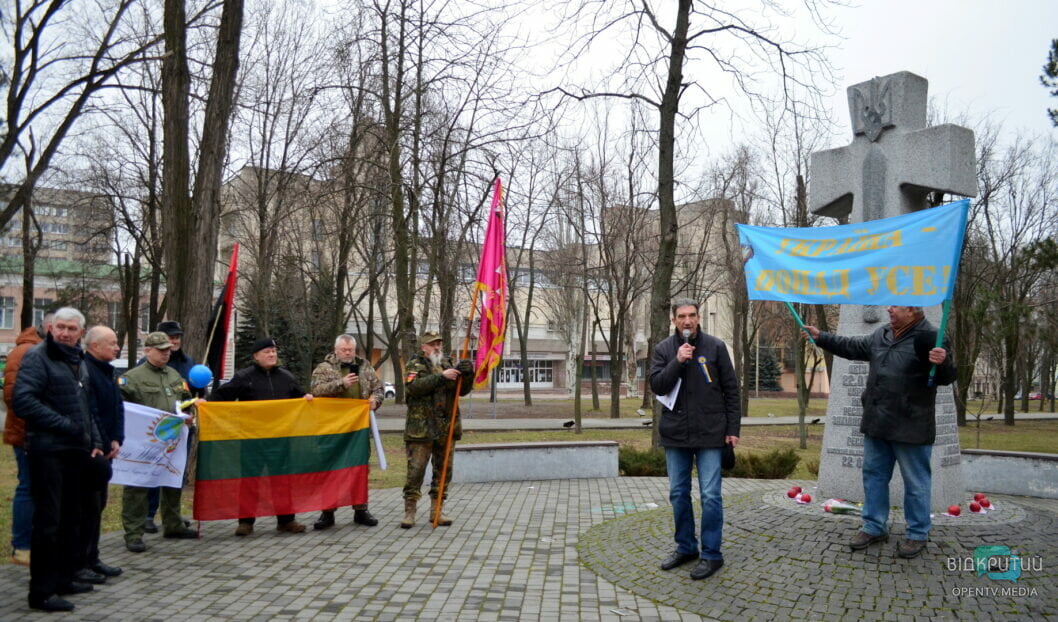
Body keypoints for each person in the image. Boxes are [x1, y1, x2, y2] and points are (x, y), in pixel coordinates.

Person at [803, 305, 954, 559]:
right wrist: (822, 337)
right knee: (874, 477)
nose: (889, 309)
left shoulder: (931, 336)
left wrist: (944, 362)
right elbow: (852, 347)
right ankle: (874, 526)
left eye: (896, 306)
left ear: (912, 310)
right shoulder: (882, 334)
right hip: (877, 421)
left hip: (911, 425)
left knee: (916, 483)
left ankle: (917, 533)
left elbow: (946, 377)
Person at [12, 307, 102, 612]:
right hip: (47, 451)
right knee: (48, 522)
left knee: (71, 518)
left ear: (81, 333)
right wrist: (65, 425)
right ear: (50, 329)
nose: (64, 333)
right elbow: (23, 400)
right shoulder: (38, 357)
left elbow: (87, 407)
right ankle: (41, 592)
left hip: (75, 453)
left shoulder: (78, 360)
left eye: (71, 329)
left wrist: (95, 441)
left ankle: (64, 578)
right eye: (60, 327)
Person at [649, 298, 739, 581]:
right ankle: (686, 547)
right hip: (676, 433)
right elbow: (657, 386)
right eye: (681, 316)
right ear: (674, 320)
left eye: (691, 315)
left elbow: (731, 390)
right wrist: (677, 361)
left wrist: (733, 429)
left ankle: (712, 554)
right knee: (678, 493)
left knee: (710, 495)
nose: (687, 321)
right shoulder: (664, 349)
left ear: (698, 318)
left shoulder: (716, 347)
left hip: (711, 432)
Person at [209, 338, 313, 536]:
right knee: (250, 481)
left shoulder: (286, 377)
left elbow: (300, 397)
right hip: (252, 440)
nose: (272, 354)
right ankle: (246, 522)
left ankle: (286, 520)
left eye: (274, 351)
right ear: (256, 356)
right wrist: (205, 404)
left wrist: (306, 398)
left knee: (281, 481)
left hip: (280, 439)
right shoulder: (243, 377)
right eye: (267, 352)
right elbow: (221, 397)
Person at [119, 331, 196, 553]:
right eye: (161, 350)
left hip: (172, 441)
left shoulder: (174, 375)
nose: (166, 354)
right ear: (147, 351)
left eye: (168, 350)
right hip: (143, 441)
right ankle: (134, 533)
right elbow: (122, 407)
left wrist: (188, 414)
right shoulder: (132, 378)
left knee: (172, 481)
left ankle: (173, 524)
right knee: (138, 486)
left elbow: (184, 401)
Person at [309, 334, 384, 530]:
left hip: (358, 429)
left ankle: (361, 509)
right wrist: (341, 383)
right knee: (330, 469)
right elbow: (316, 390)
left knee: (359, 468)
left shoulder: (365, 366)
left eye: (351, 349)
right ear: (336, 350)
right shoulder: (324, 368)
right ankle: (327, 512)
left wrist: (375, 400)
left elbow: (378, 389)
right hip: (332, 429)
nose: (348, 353)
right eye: (344, 350)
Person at [400, 331, 473, 529]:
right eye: (432, 344)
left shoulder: (448, 364)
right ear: (423, 347)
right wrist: (441, 377)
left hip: (446, 427)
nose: (437, 347)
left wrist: (467, 375)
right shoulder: (415, 364)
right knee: (415, 471)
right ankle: (410, 511)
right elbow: (414, 388)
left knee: (443, 471)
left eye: (439, 344)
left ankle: (437, 510)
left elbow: (461, 391)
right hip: (421, 428)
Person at [3, 312, 52, 567]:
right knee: (28, 487)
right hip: (27, 435)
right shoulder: (25, 352)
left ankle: (37, 541)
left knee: (40, 488)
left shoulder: (47, 351)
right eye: (59, 327)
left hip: (45, 435)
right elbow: (14, 397)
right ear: (47, 328)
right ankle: (22, 546)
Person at [142, 320, 196, 534]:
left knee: (176, 472)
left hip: (181, 429)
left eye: (177, 337)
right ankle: (148, 514)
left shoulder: (187, 362)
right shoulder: (144, 365)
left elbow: (191, 394)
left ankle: (172, 516)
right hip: (155, 429)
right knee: (153, 472)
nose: (174, 341)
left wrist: (196, 402)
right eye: (170, 337)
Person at [80, 326, 125, 581]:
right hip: (92, 450)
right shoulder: (86, 370)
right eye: (112, 343)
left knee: (98, 505)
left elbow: (117, 407)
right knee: (87, 507)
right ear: (95, 346)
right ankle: (80, 561)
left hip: (107, 447)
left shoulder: (108, 371)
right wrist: (103, 442)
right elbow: (91, 411)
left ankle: (92, 557)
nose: (117, 347)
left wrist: (117, 438)